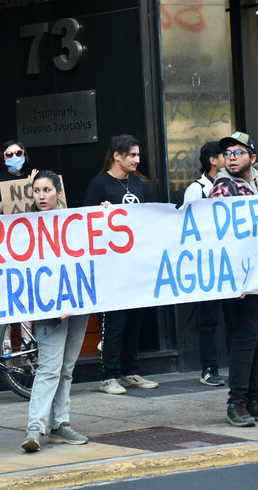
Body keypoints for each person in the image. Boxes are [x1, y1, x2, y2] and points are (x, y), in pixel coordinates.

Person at [209, 131, 258, 427]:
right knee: (244, 339)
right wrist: (234, 278)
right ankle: (237, 402)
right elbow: (223, 237)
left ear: (252, 158)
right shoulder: (222, 188)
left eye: (238, 152)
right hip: (241, 279)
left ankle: (256, 398)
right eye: (227, 153)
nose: (231, 157)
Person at [82, 134, 159, 395]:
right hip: (110, 266)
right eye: (133, 155)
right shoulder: (99, 184)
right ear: (117, 155)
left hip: (135, 264)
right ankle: (109, 376)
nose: (138, 160)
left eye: (138, 155)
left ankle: (130, 371)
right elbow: (86, 223)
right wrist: (100, 213)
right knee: (114, 321)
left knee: (134, 320)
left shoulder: (138, 183)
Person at [21, 170, 90, 452]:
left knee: (66, 368)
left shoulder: (74, 222)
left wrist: (106, 214)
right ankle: (35, 428)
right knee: (49, 368)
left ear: (58, 193)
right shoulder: (26, 226)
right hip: (48, 307)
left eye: (47, 190)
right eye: (36, 191)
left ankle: (60, 424)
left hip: (78, 304)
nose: (41, 196)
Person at [182, 140, 232, 386]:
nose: (229, 158)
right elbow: (187, 225)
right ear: (213, 160)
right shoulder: (197, 189)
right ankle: (209, 368)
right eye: (225, 154)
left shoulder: (234, 186)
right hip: (207, 264)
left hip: (230, 262)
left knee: (234, 316)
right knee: (209, 318)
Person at [0, 140, 34, 215]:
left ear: (23, 156)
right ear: (3, 158)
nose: (14, 156)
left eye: (18, 153)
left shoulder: (31, 176)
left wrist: (34, 186)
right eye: (9, 154)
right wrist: (9, 198)